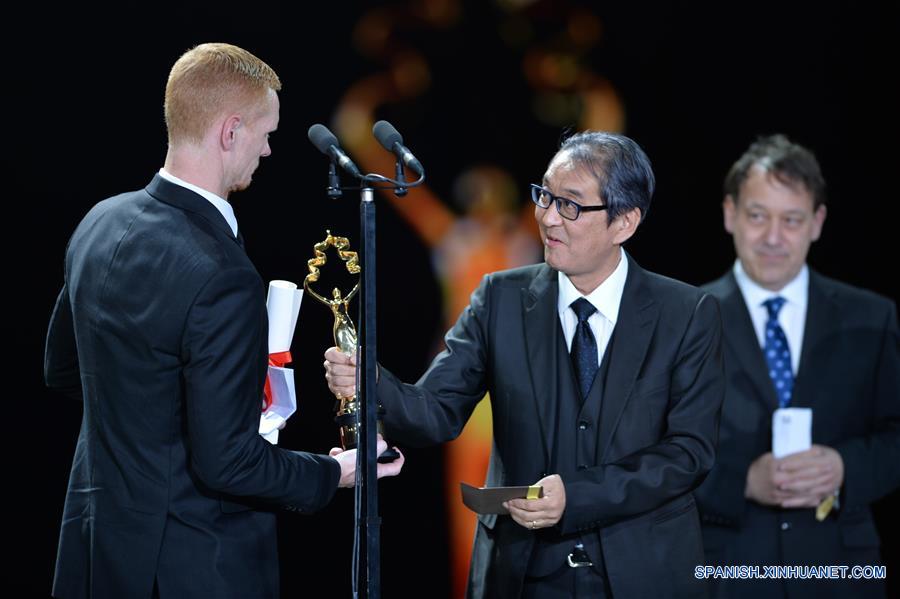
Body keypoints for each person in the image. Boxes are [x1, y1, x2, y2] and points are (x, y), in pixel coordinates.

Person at [44, 43, 403, 599]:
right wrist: (334, 474)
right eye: (266, 133)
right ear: (230, 130)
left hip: (97, 555)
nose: (267, 150)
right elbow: (225, 463)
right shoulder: (220, 272)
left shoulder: (99, 222)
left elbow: (65, 371)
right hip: (191, 565)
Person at [325, 131, 724, 598]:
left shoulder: (687, 313)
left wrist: (578, 497)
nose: (548, 218)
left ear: (624, 223)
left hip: (643, 573)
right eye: (544, 196)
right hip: (522, 576)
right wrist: (373, 381)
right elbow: (435, 408)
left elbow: (688, 453)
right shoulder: (499, 299)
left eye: (570, 205)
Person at [693, 134, 900, 598]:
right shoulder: (683, 320)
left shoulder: (872, 316)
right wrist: (740, 482)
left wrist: (844, 467)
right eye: (757, 216)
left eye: (791, 220)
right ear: (730, 214)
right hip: (725, 573)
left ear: (817, 222)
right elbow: (652, 452)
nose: (772, 237)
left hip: (842, 572)